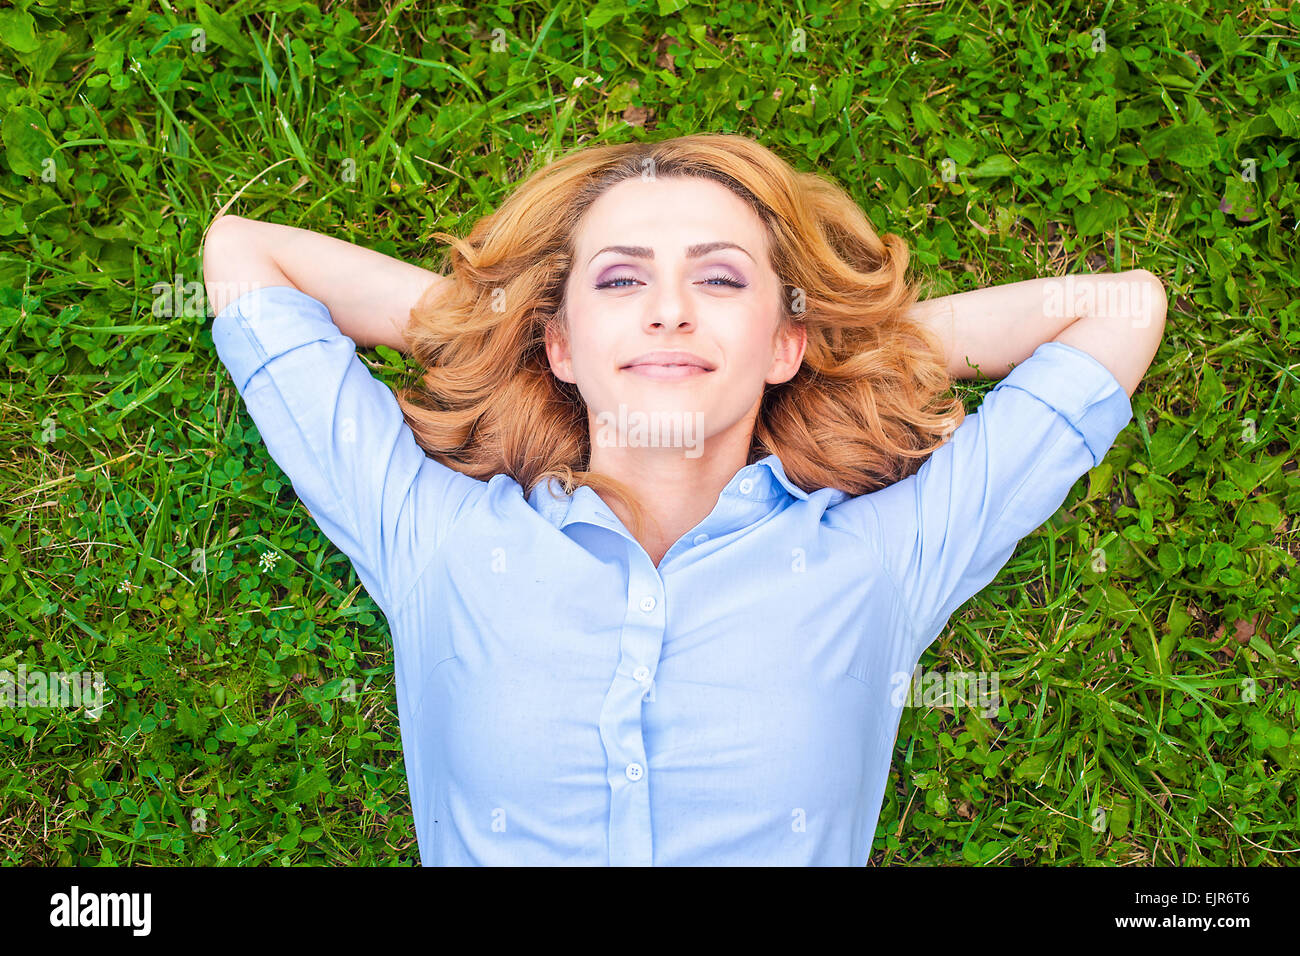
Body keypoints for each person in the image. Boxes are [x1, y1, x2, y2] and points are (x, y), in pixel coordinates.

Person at [202, 133, 1166, 865]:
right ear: (563, 345)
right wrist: (495, 337)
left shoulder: (879, 559)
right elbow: (245, 255)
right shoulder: (437, 538)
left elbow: (1124, 308)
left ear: (785, 340)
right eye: (621, 280)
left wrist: (842, 349)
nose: (670, 308)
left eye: (719, 279)